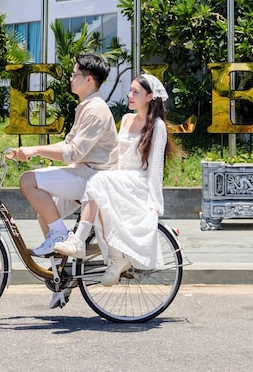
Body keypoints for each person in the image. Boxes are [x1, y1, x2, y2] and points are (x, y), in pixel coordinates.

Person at [54, 73, 180, 286]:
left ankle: (79, 240)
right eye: (130, 91)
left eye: (136, 92)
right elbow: (116, 154)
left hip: (138, 181)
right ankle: (114, 259)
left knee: (98, 181)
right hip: (119, 176)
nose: (130, 95)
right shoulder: (128, 119)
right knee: (98, 184)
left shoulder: (157, 126)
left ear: (150, 97)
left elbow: (156, 167)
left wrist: (155, 202)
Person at [8, 53, 118, 257]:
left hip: (93, 178)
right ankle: (61, 272)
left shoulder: (95, 110)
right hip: (83, 173)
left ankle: (60, 235)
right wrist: (32, 150)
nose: (70, 78)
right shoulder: (87, 106)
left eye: (74, 74)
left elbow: (73, 152)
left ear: (88, 79)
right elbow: (68, 144)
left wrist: (35, 150)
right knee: (45, 215)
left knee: (27, 181)